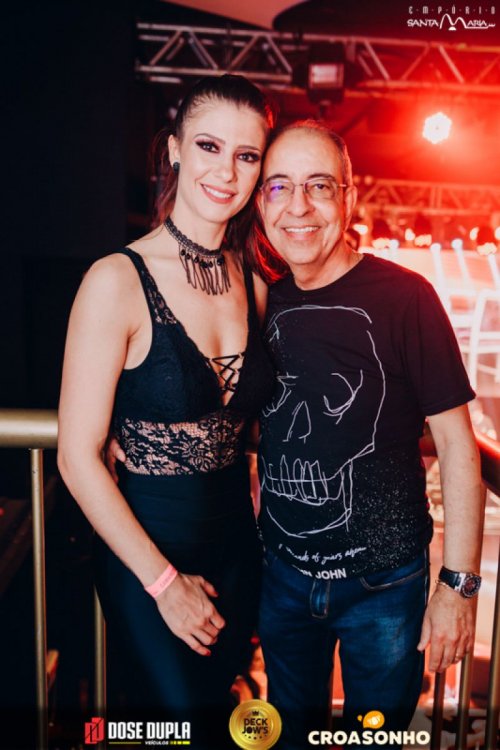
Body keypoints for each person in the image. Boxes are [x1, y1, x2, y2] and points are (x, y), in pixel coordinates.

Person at [57, 74, 276, 749]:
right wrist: (164, 584)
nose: (227, 171)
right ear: (175, 149)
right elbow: (76, 457)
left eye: (246, 155)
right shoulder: (115, 281)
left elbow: (251, 432)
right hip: (148, 558)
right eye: (209, 146)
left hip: (238, 555)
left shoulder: (255, 284)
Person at [254, 121, 483, 749]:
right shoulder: (263, 302)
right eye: (280, 186)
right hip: (282, 576)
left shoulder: (407, 298)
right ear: (262, 201)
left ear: (348, 197)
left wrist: (459, 587)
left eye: (319, 186)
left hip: (383, 587)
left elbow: (457, 446)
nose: (298, 206)